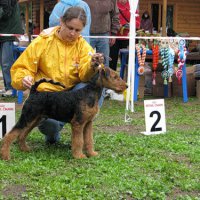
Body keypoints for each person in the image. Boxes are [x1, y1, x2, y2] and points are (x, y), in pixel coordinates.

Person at [11, 6, 104, 144]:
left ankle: (81, 138)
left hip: (72, 94)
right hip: (48, 96)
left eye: (77, 30)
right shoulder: (42, 42)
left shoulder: (84, 47)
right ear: (61, 22)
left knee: (88, 90)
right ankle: (53, 133)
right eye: (70, 27)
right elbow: (22, 67)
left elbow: (86, 76)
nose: (73, 33)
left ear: (83, 29)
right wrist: (24, 77)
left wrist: (92, 66)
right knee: (50, 126)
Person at [83, 0, 120, 67]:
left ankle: (104, 77)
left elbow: (115, 15)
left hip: (104, 36)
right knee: (86, 63)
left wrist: (114, 33)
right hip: (86, 35)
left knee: (104, 64)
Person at [0, 0, 23, 97]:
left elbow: (3, 13)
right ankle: (7, 87)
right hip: (5, 33)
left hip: (9, 35)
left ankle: (10, 88)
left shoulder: (7, 2)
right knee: (4, 62)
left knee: (7, 63)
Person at [109, 0, 140, 71]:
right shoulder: (114, 4)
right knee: (112, 61)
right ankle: (111, 80)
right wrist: (116, 26)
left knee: (127, 62)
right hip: (114, 37)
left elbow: (138, 23)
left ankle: (126, 79)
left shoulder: (132, 6)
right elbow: (108, 19)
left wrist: (130, 25)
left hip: (127, 38)